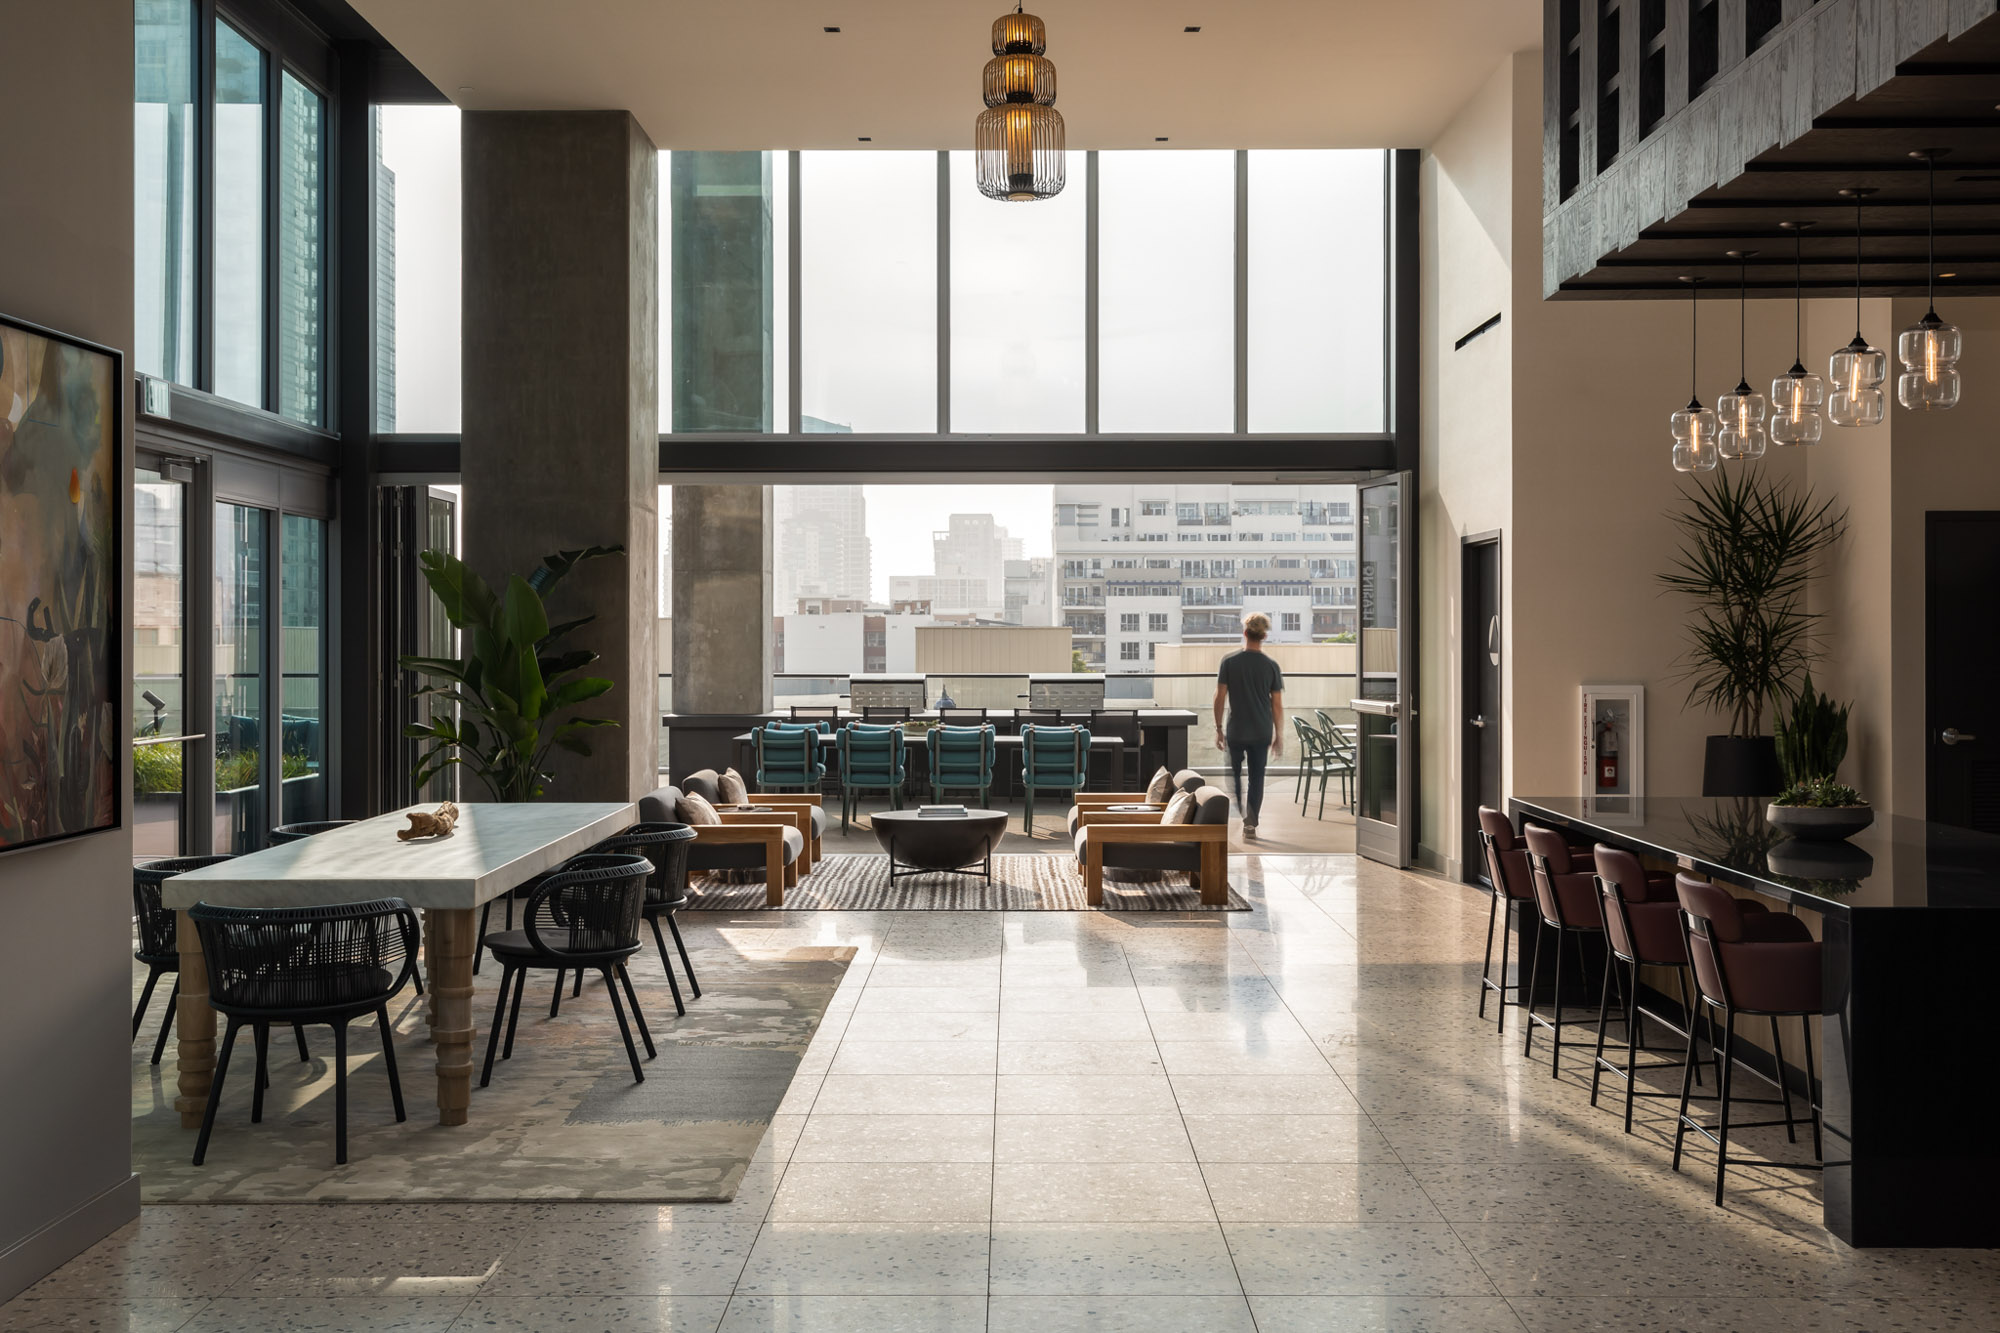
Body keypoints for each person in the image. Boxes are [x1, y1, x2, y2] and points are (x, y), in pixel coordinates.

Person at [1213, 612, 1285, 835]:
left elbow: (1220, 696)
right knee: (1257, 777)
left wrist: (1218, 729)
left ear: (1245, 633)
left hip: (1236, 730)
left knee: (1234, 774)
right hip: (1262, 730)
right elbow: (1276, 705)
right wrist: (1279, 735)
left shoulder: (1229, 662)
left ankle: (1239, 808)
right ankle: (1251, 821)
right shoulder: (1271, 666)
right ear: (1263, 636)